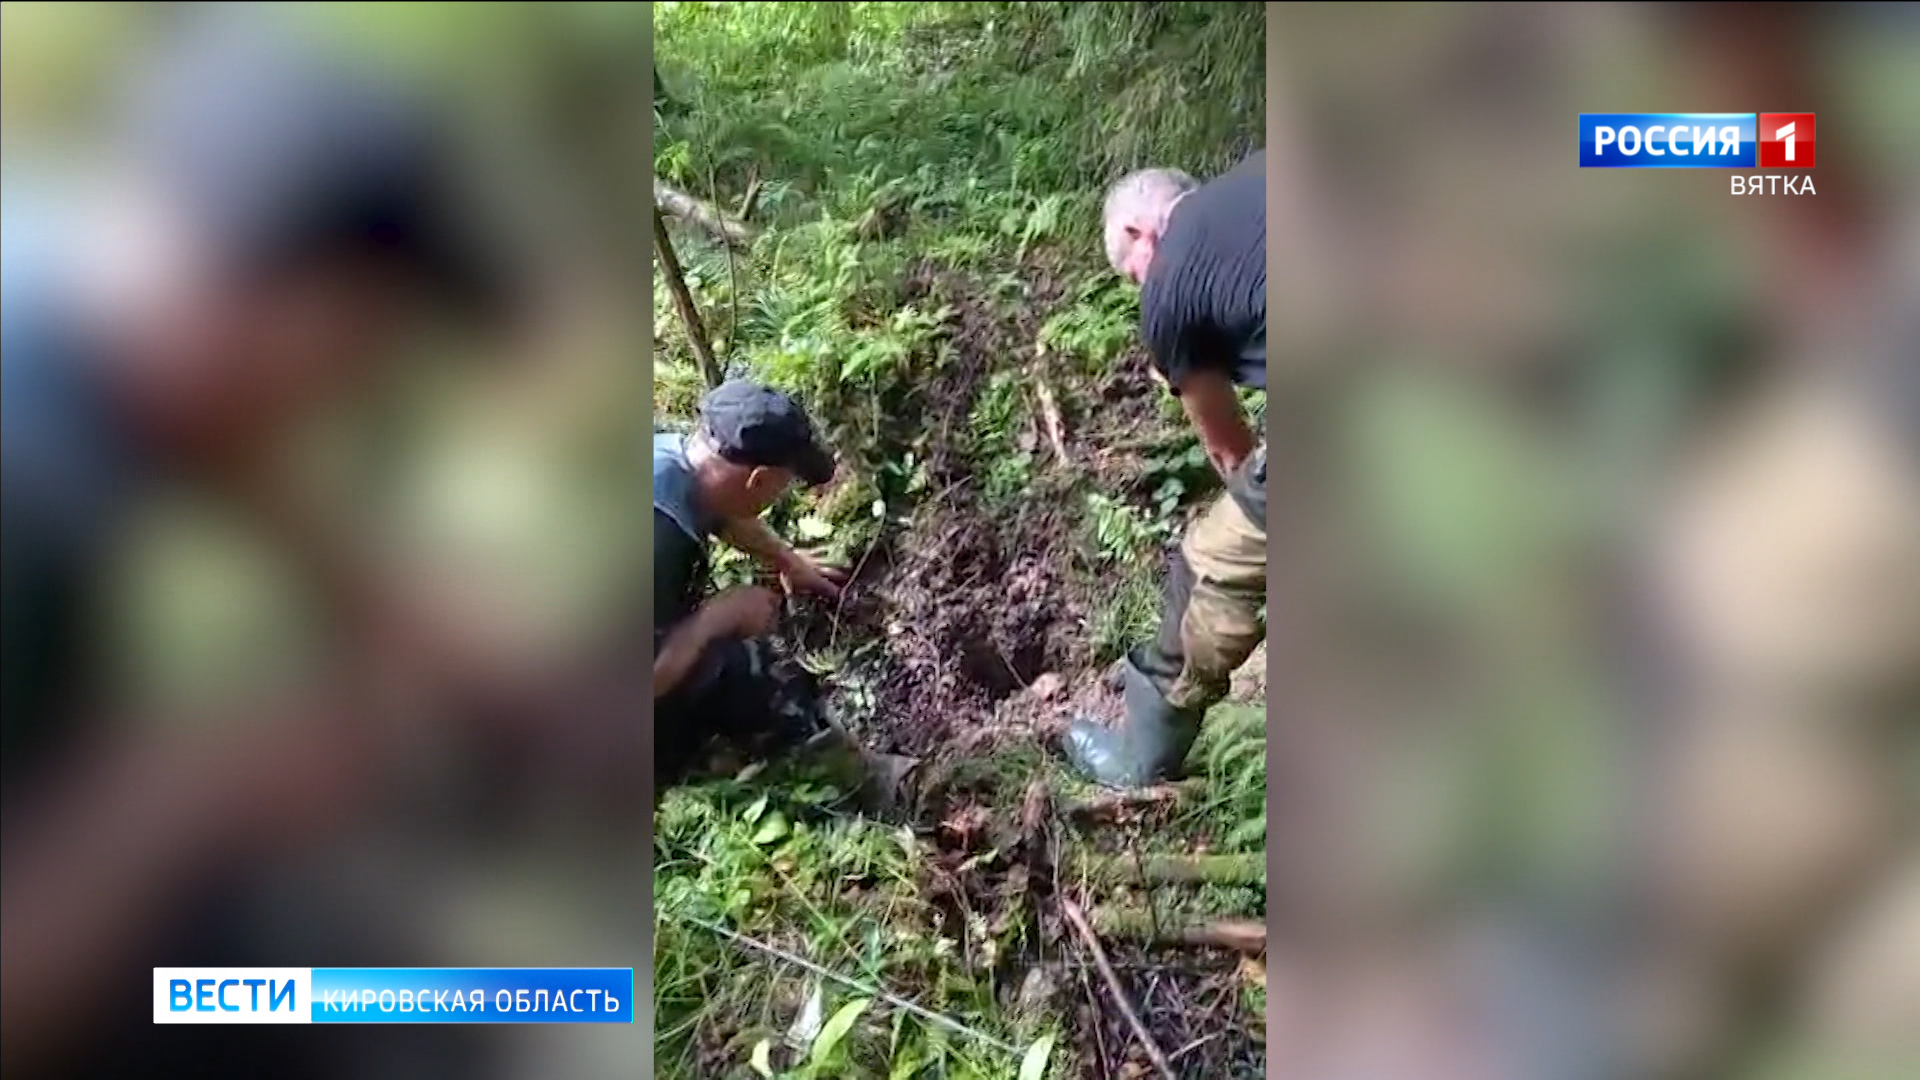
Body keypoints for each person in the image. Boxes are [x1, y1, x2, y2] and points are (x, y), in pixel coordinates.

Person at [1, 17, 517, 1079]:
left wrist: (384, 602)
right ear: (274, 305)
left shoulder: (69, 267)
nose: (341, 394)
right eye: (355, 350)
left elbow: (219, 434)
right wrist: (194, 793)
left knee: (439, 1009)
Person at [1064, 152, 1268, 788]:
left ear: (1137, 233)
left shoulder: (1169, 279)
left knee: (1209, 568)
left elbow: (1231, 454)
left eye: (1132, 276)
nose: (1141, 287)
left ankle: (1141, 760)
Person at [653, 379, 849, 787]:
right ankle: (838, 773)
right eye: (786, 482)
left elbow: (721, 513)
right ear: (758, 481)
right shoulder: (656, 538)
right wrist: (718, 618)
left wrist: (786, 559)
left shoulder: (670, 462)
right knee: (744, 669)